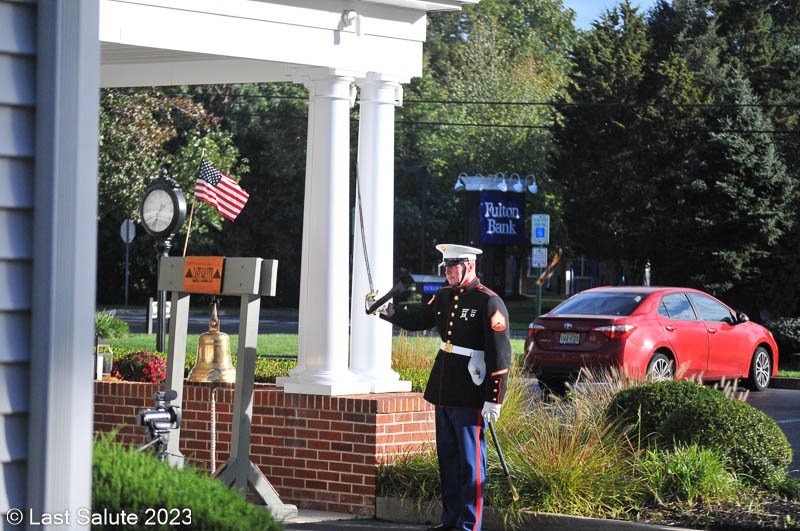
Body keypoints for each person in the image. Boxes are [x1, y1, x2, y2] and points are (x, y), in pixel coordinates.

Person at [368, 243, 512, 531]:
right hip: (445, 388)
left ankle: (469, 524)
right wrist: (386, 309)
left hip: (471, 390)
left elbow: (500, 354)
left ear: (469, 266)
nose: (448, 272)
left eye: (453, 267)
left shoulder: (489, 301)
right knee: (448, 461)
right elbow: (419, 319)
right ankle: (451, 521)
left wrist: (494, 397)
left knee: (470, 464)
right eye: (445, 267)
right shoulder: (445, 296)